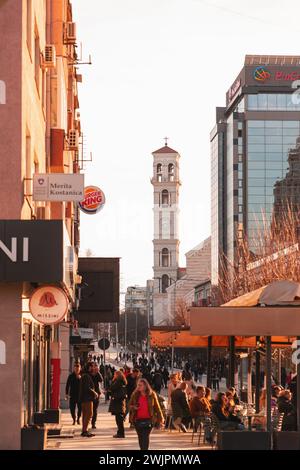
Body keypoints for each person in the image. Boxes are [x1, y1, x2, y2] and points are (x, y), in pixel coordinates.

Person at [129, 378, 164, 450]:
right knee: (140, 437)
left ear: (145, 386)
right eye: (138, 385)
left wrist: (160, 419)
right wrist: (134, 407)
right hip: (137, 420)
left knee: (145, 436)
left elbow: (157, 407)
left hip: (149, 419)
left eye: (140, 385)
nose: (138, 387)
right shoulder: (135, 395)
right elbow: (129, 405)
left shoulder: (152, 395)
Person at [78, 363, 99, 437]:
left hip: (84, 398)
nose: (93, 368)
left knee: (85, 415)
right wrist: (95, 392)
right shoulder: (86, 376)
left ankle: (84, 430)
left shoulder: (84, 375)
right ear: (89, 367)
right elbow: (87, 387)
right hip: (87, 398)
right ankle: (85, 431)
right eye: (92, 367)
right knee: (89, 414)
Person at [109, 370, 127, 438]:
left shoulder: (118, 381)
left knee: (119, 419)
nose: (114, 375)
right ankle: (120, 432)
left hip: (117, 401)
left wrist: (113, 381)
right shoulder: (121, 381)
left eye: (115, 374)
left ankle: (121, 433)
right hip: (119, 401)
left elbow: (112, 387)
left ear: (117, 375)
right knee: (119, 418)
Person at [90, 362, 104, 429]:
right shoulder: (88, 374)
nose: (94, 368)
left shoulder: (97, 375)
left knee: (95, 409)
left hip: (96, 394)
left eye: (95, 366)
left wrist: (98, 372)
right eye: (93, 366)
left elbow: (101, 380)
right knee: (90, 410)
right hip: (89, 394)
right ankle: (90, 418)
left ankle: (93, 423)